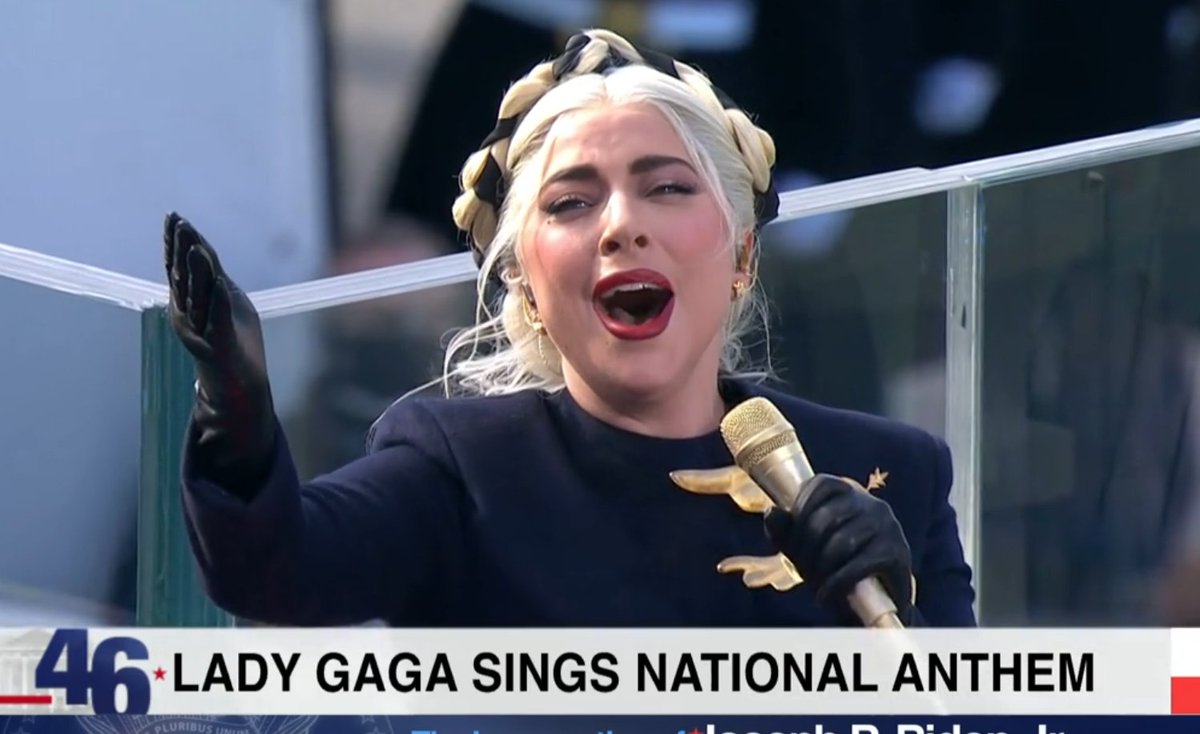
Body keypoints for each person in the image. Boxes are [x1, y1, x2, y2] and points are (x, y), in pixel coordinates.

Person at [164, 29, 976, 628]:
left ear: (742, 255)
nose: (621, 226)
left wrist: (902, 622)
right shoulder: (461, 469)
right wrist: (234, 416)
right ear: (523, 281)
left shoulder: (893, 474)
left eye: (666, 188)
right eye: (572, 203)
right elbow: (276, 571)